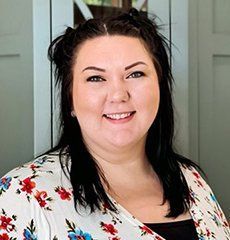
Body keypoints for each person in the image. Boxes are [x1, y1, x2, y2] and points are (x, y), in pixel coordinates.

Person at [0, 8, 229, 240]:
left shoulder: (190, 179)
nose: (118, 95)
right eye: (96, 78)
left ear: (160, 88)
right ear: (70, 100)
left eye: (136, 74)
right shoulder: (23, 195)